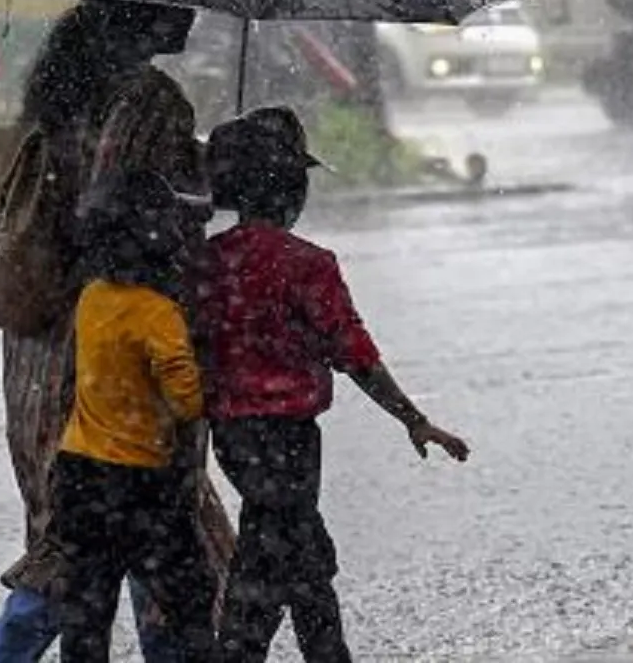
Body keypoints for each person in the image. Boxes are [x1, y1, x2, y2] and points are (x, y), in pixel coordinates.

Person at [0, 0, 233, 663]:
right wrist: (212, 182)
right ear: (140, 12)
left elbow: (82, 202)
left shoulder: (62, 88)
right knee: (154, 528)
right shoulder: (151, 98)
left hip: (42, 345)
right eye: (179, 1)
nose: (192, 15)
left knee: (73, 532)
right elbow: (132, 214)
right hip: (124, 343)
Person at [200, 108, 472, 663]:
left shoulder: (207, 261)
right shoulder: (308, 265)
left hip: (229, 435)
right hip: (291, 439)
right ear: (290, 190)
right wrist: (412, 418)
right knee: (282, 551)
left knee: (288, 545)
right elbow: (355, 354)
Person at [45, 72, 219, 663]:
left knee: (88, 609)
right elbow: (188, 399)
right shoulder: (159, 313)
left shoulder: (93, 298)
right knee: (188, 593)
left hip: (79, 475)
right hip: (141, 482)